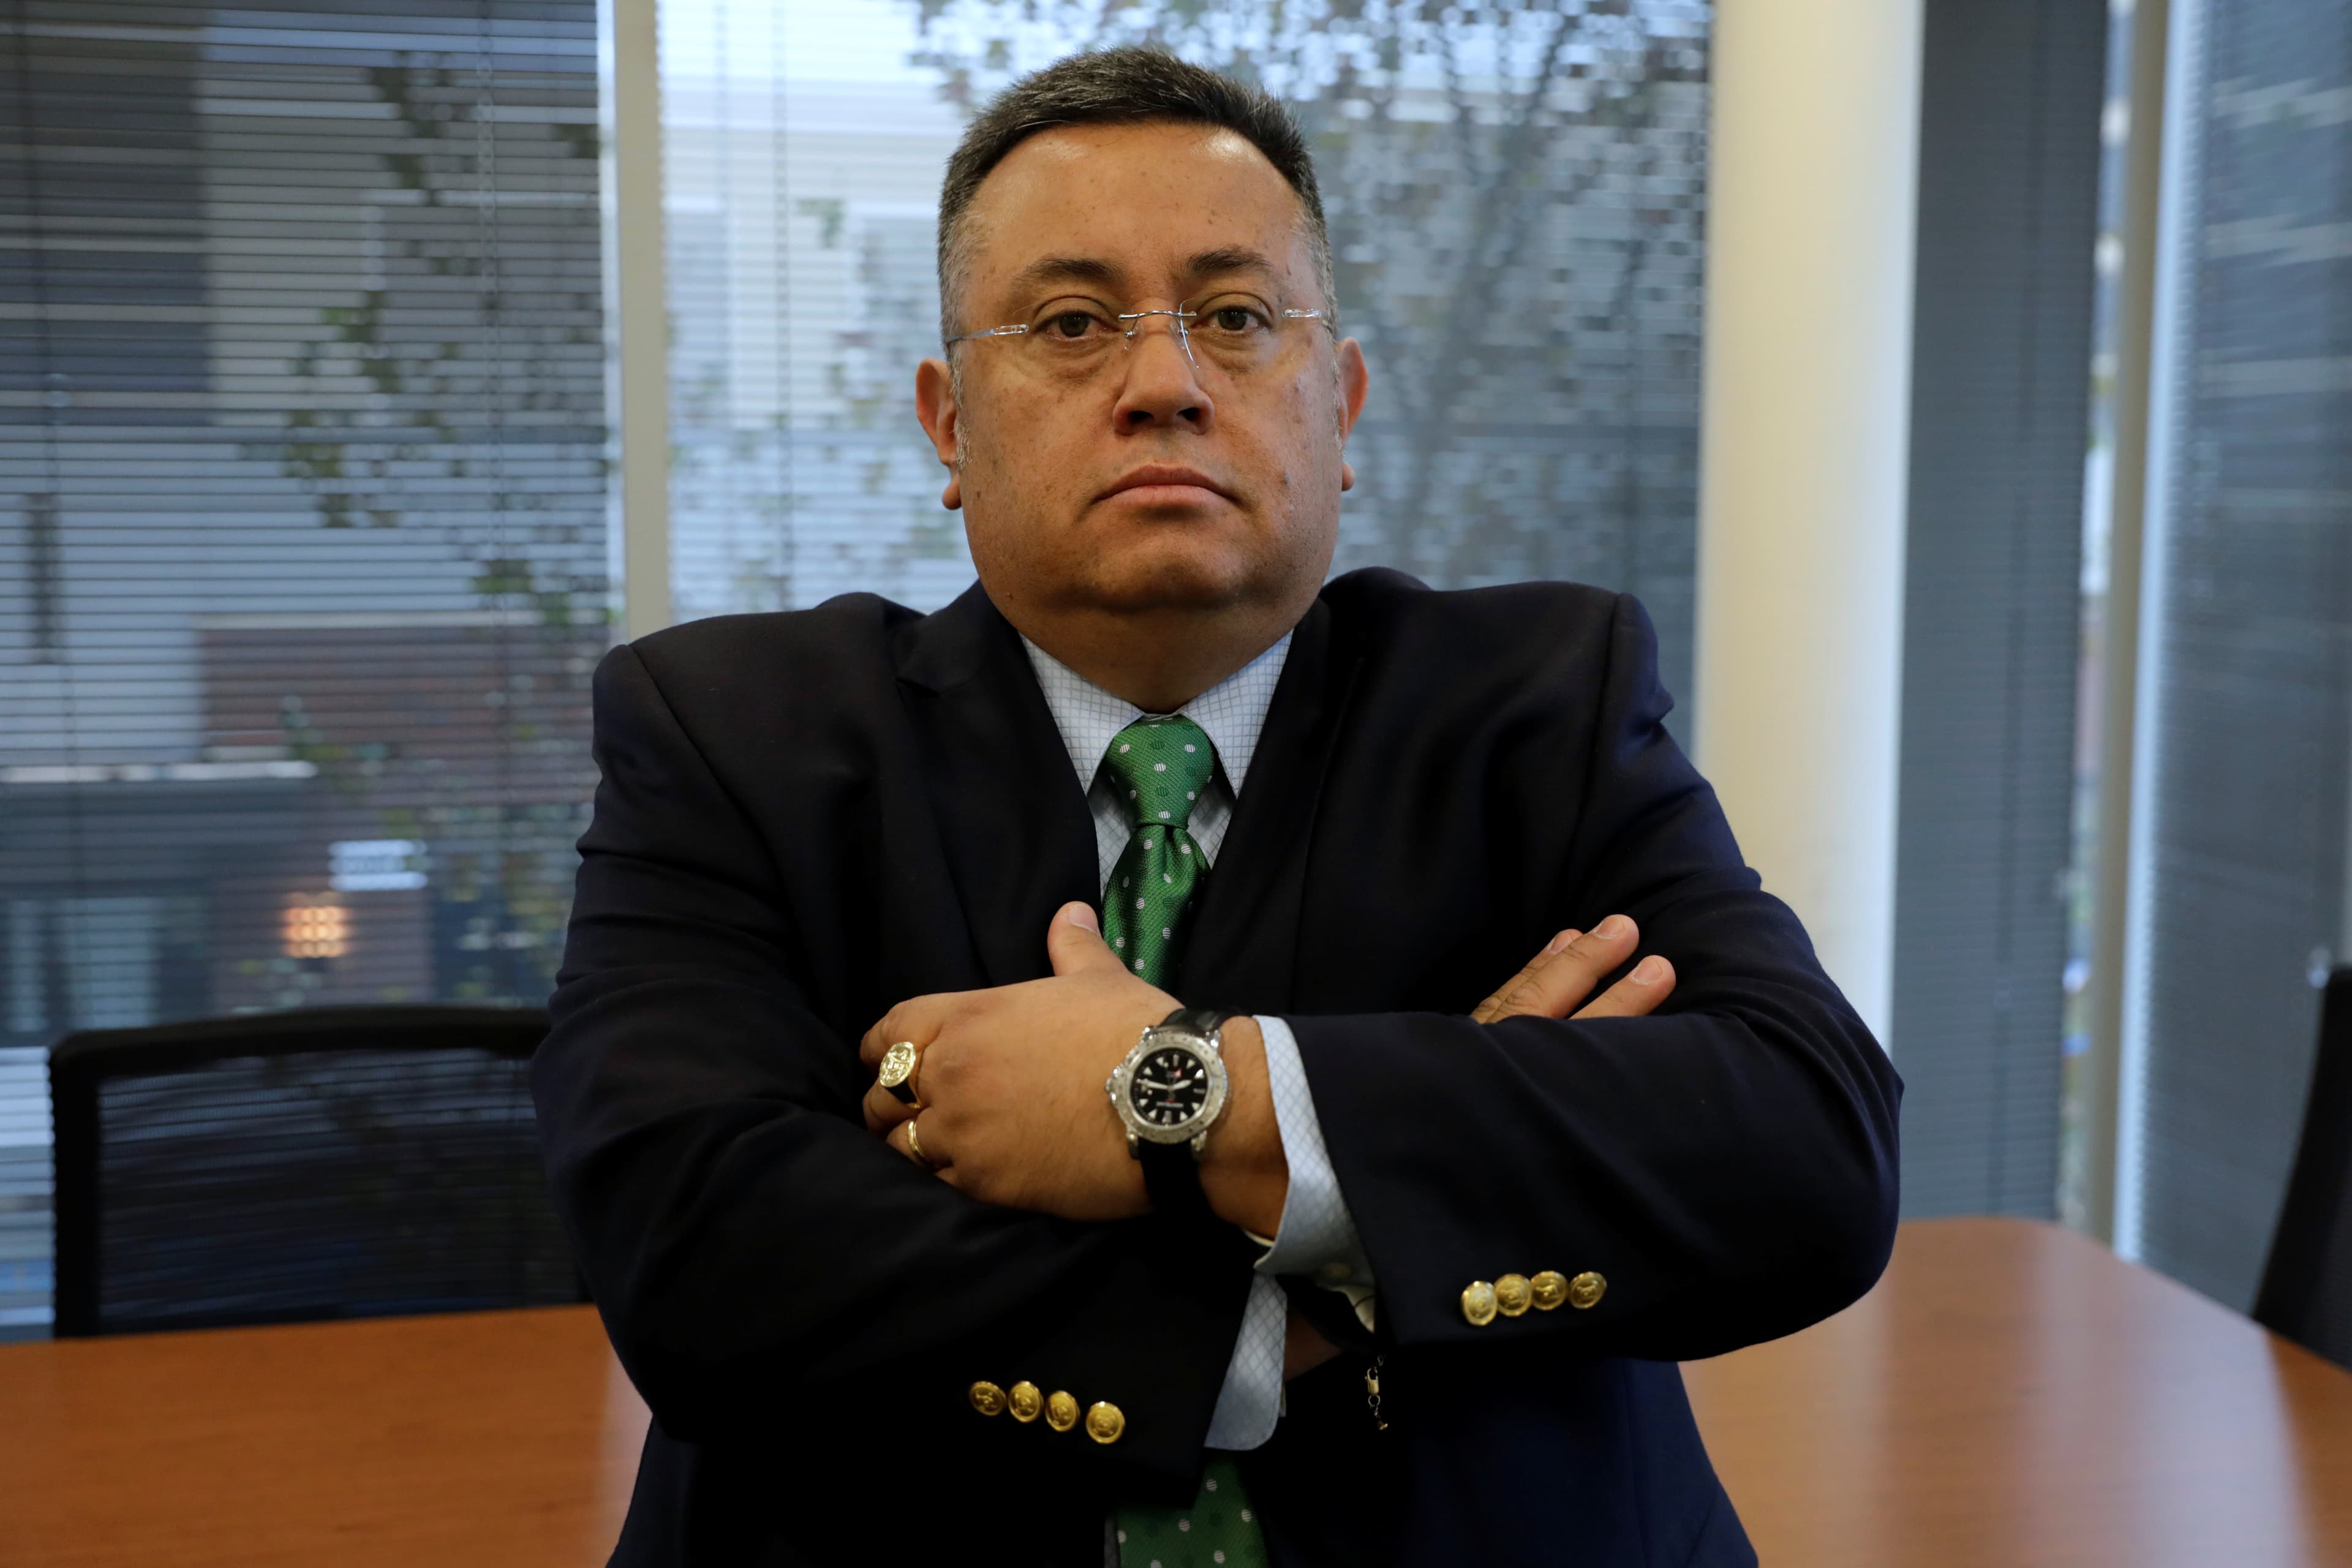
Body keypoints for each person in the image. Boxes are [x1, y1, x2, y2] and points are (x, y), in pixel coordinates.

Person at [533, 46, 1901, 1568]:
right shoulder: (732, 737)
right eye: (1070, 324)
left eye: (1238, 318)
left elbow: (1806, 1150)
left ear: (1342, 401)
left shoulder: (1541, 707)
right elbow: (701, 1263)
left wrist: (1178, 1092)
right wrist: (1362, 1246)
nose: (1167, 381)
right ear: (946, 422)